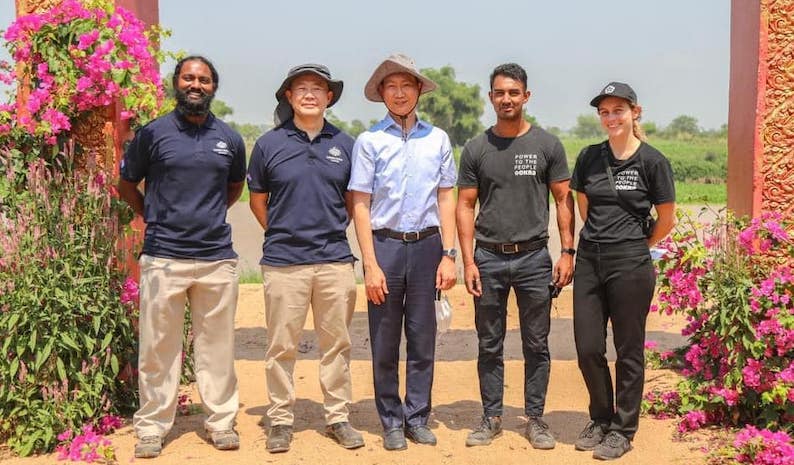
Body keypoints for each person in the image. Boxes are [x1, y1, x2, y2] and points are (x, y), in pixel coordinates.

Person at [118, 55, 245, 458]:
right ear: (176, 83)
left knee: (217, 347)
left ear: (213, 87)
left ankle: (221, 422)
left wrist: (206, 217)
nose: (196, 85)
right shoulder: (153, 134)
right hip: (164, 257)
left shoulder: (229, 139)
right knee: (159, 348)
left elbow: (234, 187)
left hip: (215, 258)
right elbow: (126, 183)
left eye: (204, 80)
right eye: (189, 78)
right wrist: (152, 214)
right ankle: (152, 427)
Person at [456, 63, 575, 450]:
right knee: (489, 343)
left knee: (536, 343)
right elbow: (465, 205)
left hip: (533, 259)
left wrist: (567, 252)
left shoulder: (547, 145)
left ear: (526, 96)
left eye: (513, 92)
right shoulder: (476, 148)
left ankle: (535, 418)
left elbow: (563, 199)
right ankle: (491, 417)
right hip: (488, 259)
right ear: (490, 97)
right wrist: (468, 262)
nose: (506, 99)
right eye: (499, 93)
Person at [247, 64, 364, 453]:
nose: (310, 94)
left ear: (329, 97)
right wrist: (284, 231)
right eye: (301, 88)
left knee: (337, 344)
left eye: (318, 88)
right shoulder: (269, 144)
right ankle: (281, 419)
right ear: (289, 96)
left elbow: (352, 202)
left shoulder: (346, 144)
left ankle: (338, 416)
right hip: (284, 262)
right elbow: (258, 201)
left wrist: (326, 230)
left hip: (334, 260)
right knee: (282, 345)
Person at [348, 53, 457, 451]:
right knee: (385, 339)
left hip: (428, 246)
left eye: (406, 86)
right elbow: (360, 204)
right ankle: (391, 420)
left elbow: (446, 196)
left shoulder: (438, 139)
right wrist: (370, 264)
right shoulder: (369, 141)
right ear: (381, 93)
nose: (399, 93)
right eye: (391, 87)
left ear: (418, 91)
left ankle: (417, 416)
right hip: (386, 247)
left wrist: (449, 254)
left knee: (423, 336)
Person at [570, 82, 675, 460]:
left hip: (630, 263)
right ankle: (600, 418)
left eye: (618, 110)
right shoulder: (589, 157)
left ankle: (623, 429)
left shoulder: (653, 162)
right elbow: (584, 205)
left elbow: (666, 219)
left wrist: (636, 245)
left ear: (635, 112)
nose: (611, 117)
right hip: (589, 260)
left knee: (628, 349)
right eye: (605, 112)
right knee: (587, 347)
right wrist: (603, 237)